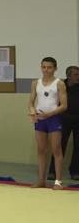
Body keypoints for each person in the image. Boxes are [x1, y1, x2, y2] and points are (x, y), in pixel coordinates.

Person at [29, 57, 68, 189]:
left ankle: (58, 181)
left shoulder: (59, 83)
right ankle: (41, 180)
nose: (46, 70)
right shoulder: (35, 83)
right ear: (41, 67)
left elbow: (64, 105)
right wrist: (32, 111)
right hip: (40, 120)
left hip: (53, 119)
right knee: (41, 150)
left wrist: (49, 114)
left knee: (56, 150)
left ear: (55, 68)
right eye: (44, 67)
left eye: (49, 67)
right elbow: (30, 101)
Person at [62, 65, 79, 179]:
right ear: (68, 76)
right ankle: (53, 171)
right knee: (59, 145)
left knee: (78, 146)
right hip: (63, 119)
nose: (78, 77)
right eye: (76, 74)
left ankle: (75, 171)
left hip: (78, 119)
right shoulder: (61, 86)